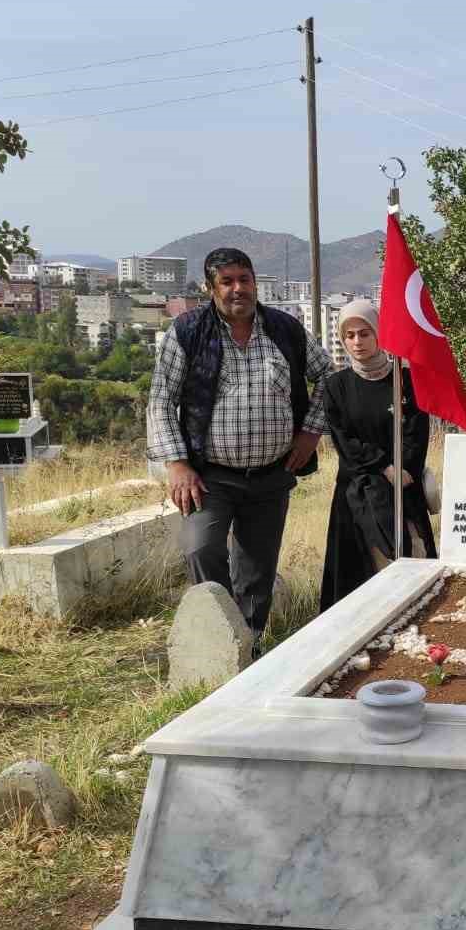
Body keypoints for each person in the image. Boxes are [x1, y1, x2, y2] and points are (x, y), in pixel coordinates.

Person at [147, 247, 332, 647]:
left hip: (271, 474)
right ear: (210, 288)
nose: (237, 289)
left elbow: (329, 379)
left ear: (254, 281)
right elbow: (161, 400)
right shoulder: (187, 332)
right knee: (201, 548)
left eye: (244, 279)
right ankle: (216, 638)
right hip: (208, 475)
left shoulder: (285, 329)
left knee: (256, 569)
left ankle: (249, 642)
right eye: (227, 282)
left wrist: (310, 432)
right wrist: (177, 464)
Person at [318, 299, 437, 611]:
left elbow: (416, 430)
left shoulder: (405, 380)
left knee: (413, 562)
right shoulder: (336, 386)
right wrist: (384, 465)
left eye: (365, 333)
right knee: (360, 579)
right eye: (350, 335)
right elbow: (344, 439)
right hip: (357, 492)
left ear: (379, 334)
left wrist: (403, 467)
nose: (357, 342)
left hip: (403, 487)